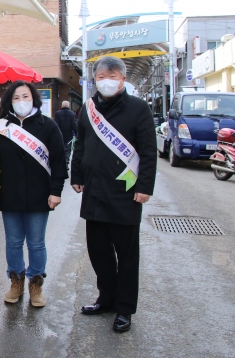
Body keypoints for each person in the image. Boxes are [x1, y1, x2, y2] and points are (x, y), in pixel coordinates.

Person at [70, 56, 157, 333]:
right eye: (101, 77)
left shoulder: (138, 109)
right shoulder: (89, 108)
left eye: (112, 76)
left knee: (127, 255)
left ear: (122, 78)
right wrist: (77, 176)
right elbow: (80, 144)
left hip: (126, 194)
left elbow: (148, 152)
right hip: (95, 193)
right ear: (94, 80)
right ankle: (106, 299)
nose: (106, 81)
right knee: (99, 253)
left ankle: (124, 308)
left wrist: (144, 187)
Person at [0, 81, 68, 308]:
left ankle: (35, 284)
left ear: (34, 99)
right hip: (10, 195)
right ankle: (16, 282)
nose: (21, 101)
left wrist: (56, 191)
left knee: (36, 243)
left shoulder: (49, 125)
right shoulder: (1, 127)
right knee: (13, 243)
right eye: (16, 98)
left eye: (25, 96)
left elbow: (58, 160)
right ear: (9, 102)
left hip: (40, 195)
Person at [54, 100, 77, 167]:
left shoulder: (58, 113)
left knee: (60, 149)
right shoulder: (72, 114)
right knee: (67, 150)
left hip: (59, 136)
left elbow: (56, 125)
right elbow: (74, 125)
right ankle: (66, 162)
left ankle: (61, 163)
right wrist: (77, 134)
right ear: (68, 106)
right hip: (68, 136)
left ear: (62, 106)